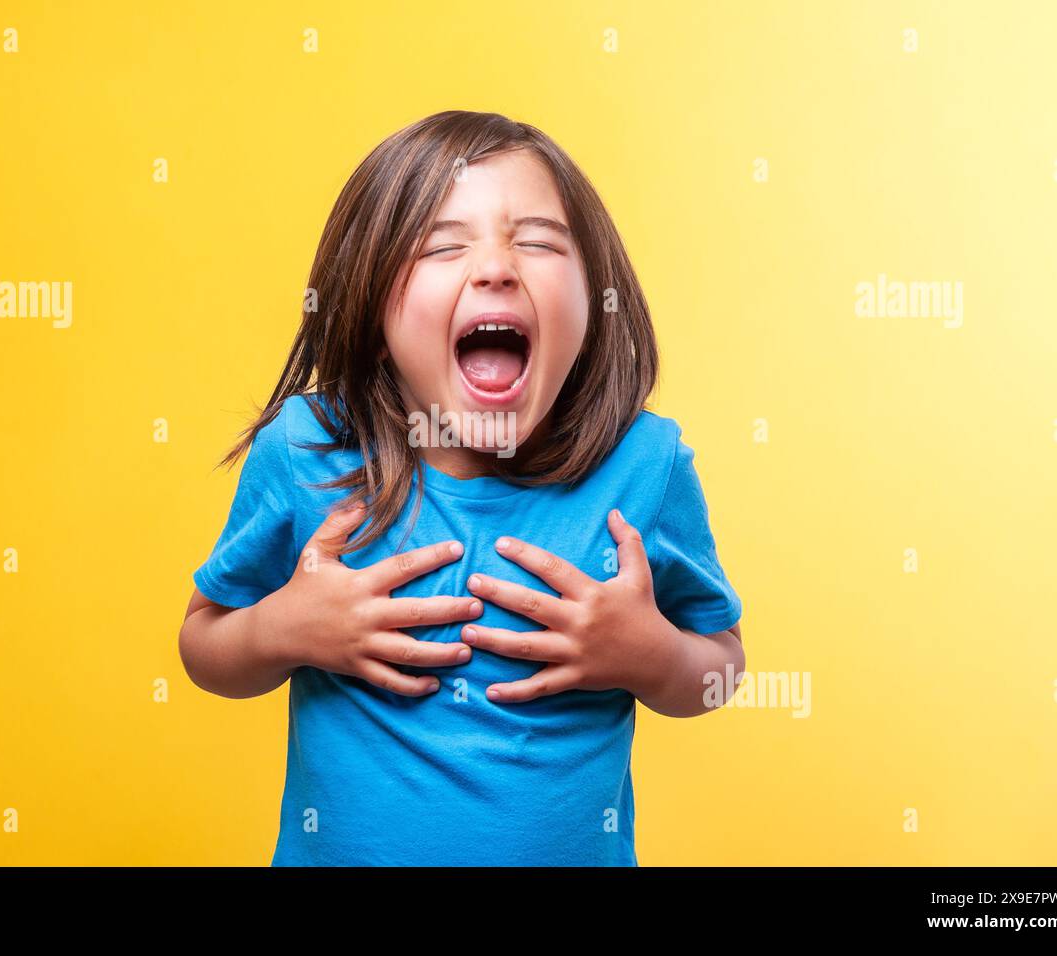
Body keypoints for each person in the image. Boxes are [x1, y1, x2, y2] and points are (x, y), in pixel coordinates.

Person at [179, 110, 745, 866]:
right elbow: (202, 646)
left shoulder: (645, 465)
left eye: (539, 241)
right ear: (372, 304)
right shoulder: (307, 451)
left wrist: (653, 658)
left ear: (594, 298)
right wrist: (284, 629)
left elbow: (722, 666)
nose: (496, 267)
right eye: (442, 246)